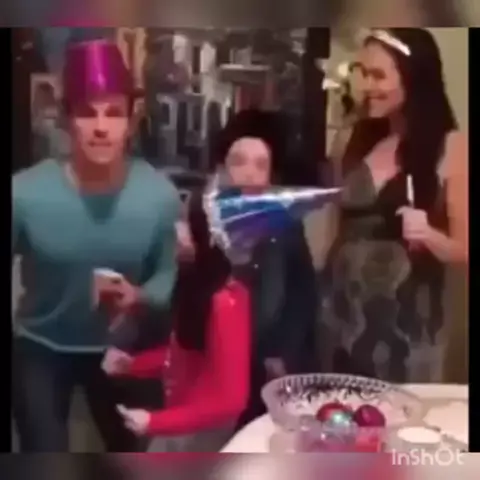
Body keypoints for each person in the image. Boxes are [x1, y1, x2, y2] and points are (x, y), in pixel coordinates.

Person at [12, 40, 180, 452]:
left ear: (131, 120)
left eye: (113, 113)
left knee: (135, 458)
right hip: (41, 344)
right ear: (67, 119)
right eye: (87, 113)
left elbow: (168, 272)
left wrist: (142, 295)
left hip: (123, 347)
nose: (101, 127)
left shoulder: (158, 196)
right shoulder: (24, 193)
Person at [320, 28, 468, 383]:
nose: (367, 86)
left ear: (414, 78)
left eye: (379, 75)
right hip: (339, 318)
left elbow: (464, 249)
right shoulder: (352, 138)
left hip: (408, 330)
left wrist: (429, 235)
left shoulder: (452, 146)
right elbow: (334, 229)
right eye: (362, 72)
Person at [110, 191, 251, 452]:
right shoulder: (195, 281)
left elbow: (230, 400)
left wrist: (154, 422)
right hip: (182, 420)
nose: (177, 230)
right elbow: (184, 356)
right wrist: (132, 365)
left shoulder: (226, 301)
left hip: (201, 431)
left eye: (186, 221)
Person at [212, 109, 317, 429]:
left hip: (265, 359)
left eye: (260, 165)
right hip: (216, 358)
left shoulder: (285, 225)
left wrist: (282, 351)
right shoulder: (206, 221)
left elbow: (301, 291)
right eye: (238, 162)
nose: (248, 173)